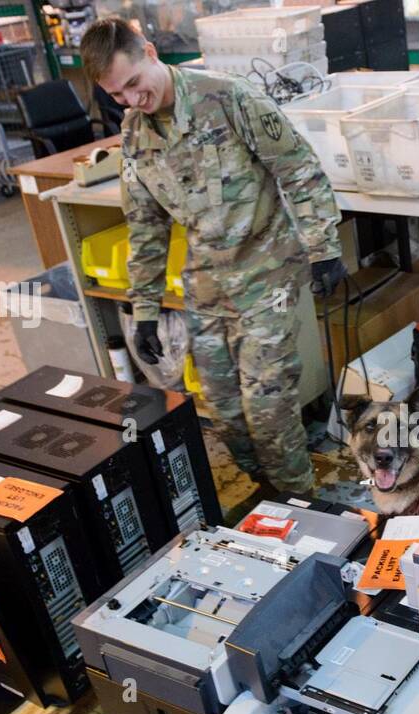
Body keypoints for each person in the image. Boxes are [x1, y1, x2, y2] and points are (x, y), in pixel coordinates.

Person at [81, 18, 346, 497]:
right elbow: (145, 225)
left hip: (267, 273)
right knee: (223, 411)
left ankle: (301, 504)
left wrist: (324, 248)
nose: (132, 101)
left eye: (135, 84)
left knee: (267, 407)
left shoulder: (227, 97)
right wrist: (144, 311)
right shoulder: (135, 133)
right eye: (118, 95)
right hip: (206, 284)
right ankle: (265, 493)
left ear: (150, 51)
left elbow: (299, 169)